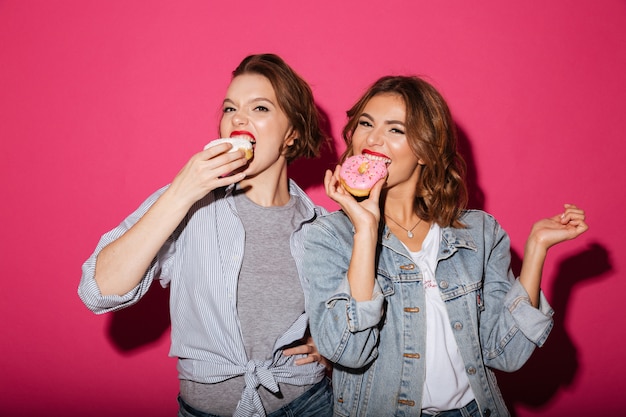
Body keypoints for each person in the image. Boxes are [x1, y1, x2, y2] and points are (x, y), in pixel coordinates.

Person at [303, 75, 588, 417]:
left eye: (396, 129)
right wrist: (365, 230)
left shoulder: (479, 233)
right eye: (366, 123)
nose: (373, 138)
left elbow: (506, 355)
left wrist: (538, 248)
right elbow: (348, 351)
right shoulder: (327, 236)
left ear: (425, 150)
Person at [78, 54, 333, 417]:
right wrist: (182, 192)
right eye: (230, 108)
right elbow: (97, 291)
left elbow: (360, 316)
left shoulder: (321, 225)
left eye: (259, 107)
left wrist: (332, 349)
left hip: (309, 403)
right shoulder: (187, 201)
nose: (238, 118)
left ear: (291, 134)